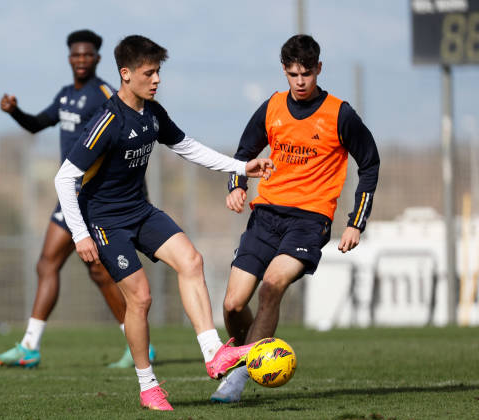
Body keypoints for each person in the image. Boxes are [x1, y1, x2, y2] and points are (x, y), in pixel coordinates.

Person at [54, 35, 275, 411]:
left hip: (139, 210)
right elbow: (64, 178)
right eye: (148, 72)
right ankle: (148, 386)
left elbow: (187, 147)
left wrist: (241, 167)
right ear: (125, 75)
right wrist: (79, 234)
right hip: (106, 222)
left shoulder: (153, 113)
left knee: (192, 260)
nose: (156, 79)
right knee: (140, 298)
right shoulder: (108, 121)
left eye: (158, 72)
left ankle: (213, 352)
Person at [210, 34, 380, 403]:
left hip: (309, 219)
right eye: (292, 74)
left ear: (318, 69)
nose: (300, 81)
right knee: (232, 305)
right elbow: (244, 152)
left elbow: (369, 163)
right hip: (266, 215)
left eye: (306, 73)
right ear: (284, 72)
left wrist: (356, 221)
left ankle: (237, 379)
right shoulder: (272, 107)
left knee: (272, 285)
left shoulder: (340, 113)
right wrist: (237, 184)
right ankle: (249, 356)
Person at [0, 29, 155, 369]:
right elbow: (37, 125)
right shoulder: (66, 95)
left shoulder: (105, 94)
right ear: (69, 58)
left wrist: (136, 196)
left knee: (98, 270)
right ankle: (30, 346)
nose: (81, 60)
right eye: (75, 55)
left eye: (87, 55)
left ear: (96, 58)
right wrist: (15, 112)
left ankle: (138, 343)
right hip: (68, 194)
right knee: (49, 263)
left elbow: (126, 140)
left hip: (95, 197)